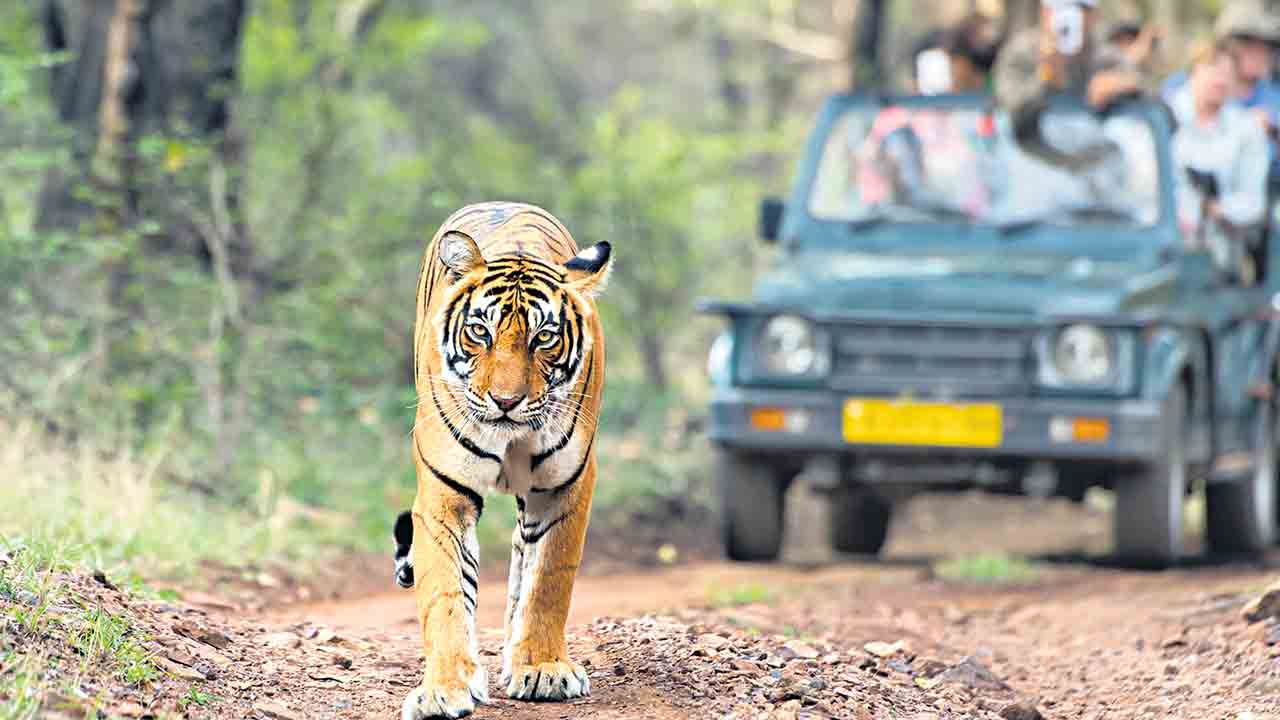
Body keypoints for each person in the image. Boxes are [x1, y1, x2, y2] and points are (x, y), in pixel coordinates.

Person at [993, 0, 1149, 169]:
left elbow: (1158, 110)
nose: (1068, 15)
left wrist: (1123, 84)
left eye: (1079, 8)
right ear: (1044, 11)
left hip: (1092, 175)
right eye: (1060, 7)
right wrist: (1046, 78)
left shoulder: (1106, 58)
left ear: (1094, 15)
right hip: (1029, 171)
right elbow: (1006, 104)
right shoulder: (1022, 53)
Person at [1169, 40, 1270, 280]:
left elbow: (1253, 203)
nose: (1220, 80)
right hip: (1166, 248)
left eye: (1227, 74)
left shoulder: (1245, 129)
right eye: (1212, 70)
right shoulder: (1164, 117)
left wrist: (1217, 208)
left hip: (1220, 254)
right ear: (1194, 72)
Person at [1162, 1, 1280, 140]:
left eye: (1267, 46)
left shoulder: (1273, 94)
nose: (1258, 53)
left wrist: (1273, 130)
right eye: (1248, 43)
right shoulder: (1186, 83)